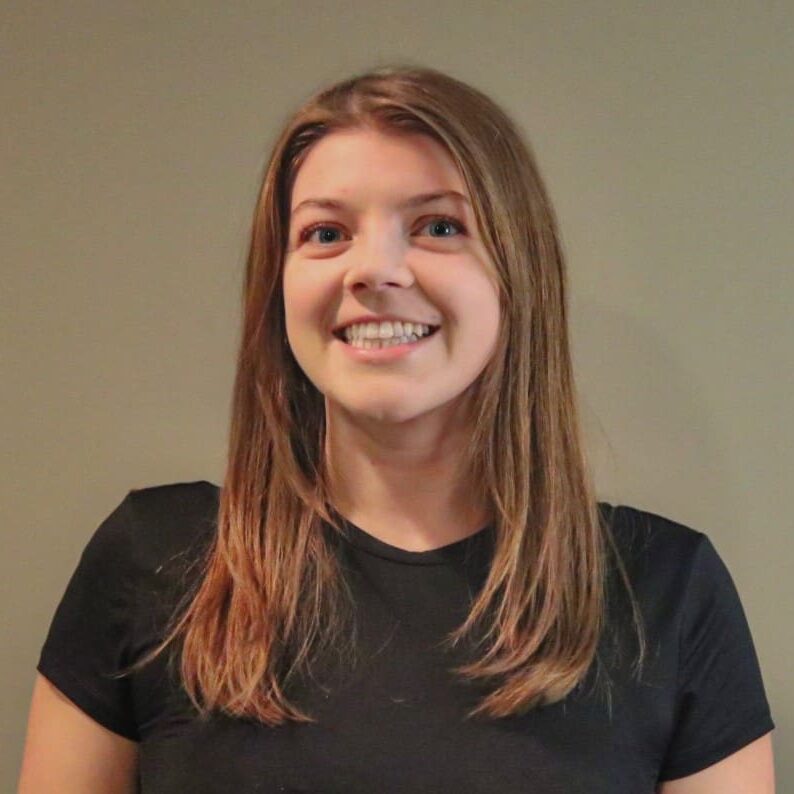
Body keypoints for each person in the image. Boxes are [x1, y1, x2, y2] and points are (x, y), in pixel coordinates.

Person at [18, 64, 775, 793]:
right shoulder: (152, 562)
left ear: (519, 275)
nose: (373, 269)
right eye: (325, 234)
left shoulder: (666, 594)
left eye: (439, 226)